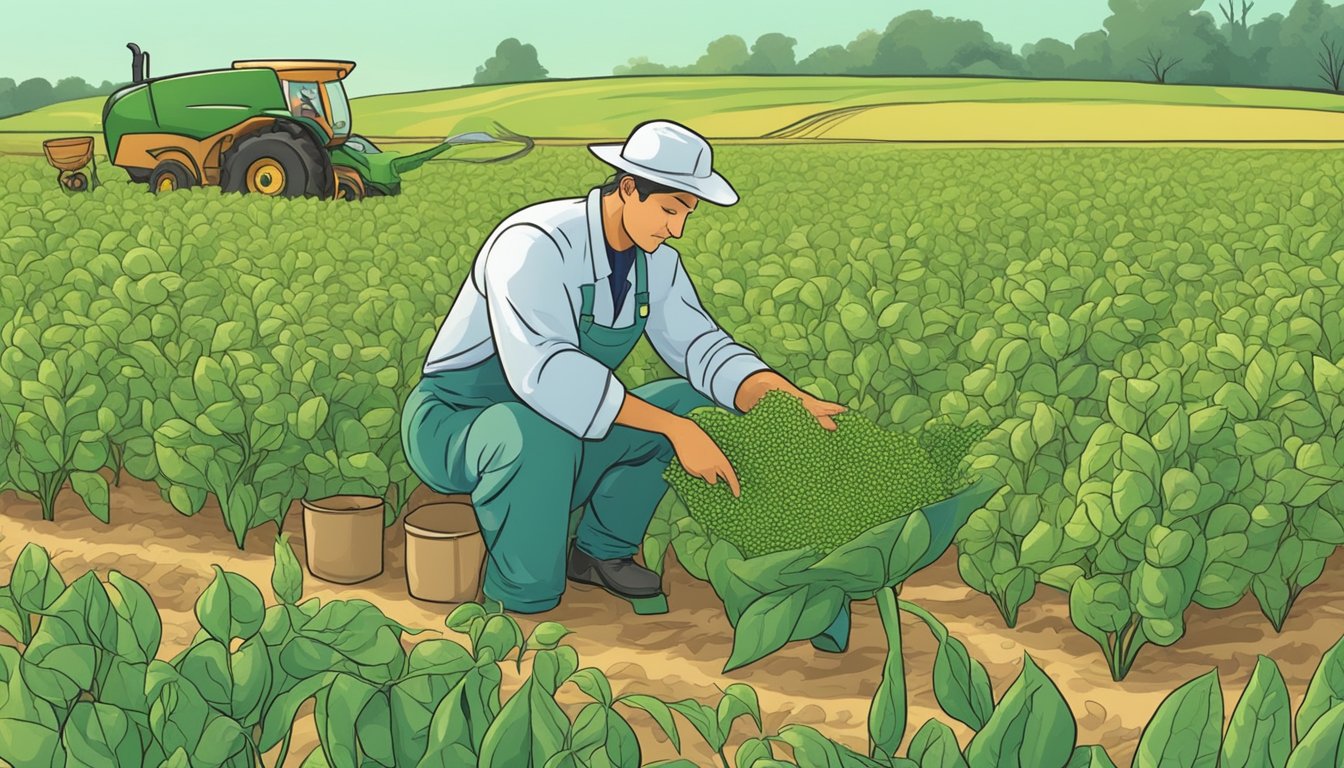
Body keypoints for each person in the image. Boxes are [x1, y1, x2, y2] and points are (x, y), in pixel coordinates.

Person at [400, 119, 846, 614]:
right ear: (629, 188)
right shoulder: (533, 244)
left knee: (691, 404)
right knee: (537, 433)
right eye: (669, 209)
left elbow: (703, 347)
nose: (676, 228)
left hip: (562, 426)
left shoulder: (656, 264)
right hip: (457, 421)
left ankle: (599, 551)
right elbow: (545, 372)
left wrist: (785, 398)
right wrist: (674, 431)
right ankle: (518, 603)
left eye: (686, 213)